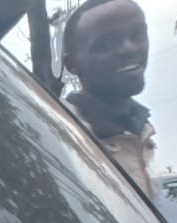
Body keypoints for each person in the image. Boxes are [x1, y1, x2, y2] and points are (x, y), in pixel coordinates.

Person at [63, 0, 156, 197]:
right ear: (72, 64)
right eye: (105, 44)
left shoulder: (142, 131)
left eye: (137, 35)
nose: (129, 49)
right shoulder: (66, 139)